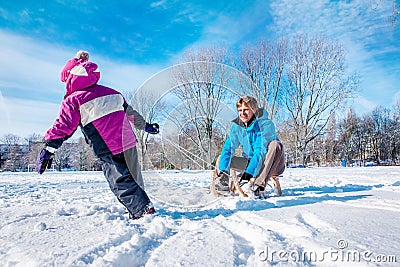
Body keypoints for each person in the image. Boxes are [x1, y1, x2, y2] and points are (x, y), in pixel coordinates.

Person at [36, 51, 160, 219]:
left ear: (70, 78)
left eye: (65, 80)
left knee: (119, 180)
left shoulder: (73, 99)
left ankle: (143, 212)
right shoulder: (113, 92)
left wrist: (49, 148)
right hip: (129, 141)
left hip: (108, 146)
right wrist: (146, 126)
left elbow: (63, 125)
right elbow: (131, 113)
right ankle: (140, 207)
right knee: (134, 177)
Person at [216, 95, 285, 197]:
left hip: (272, 163)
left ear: (254, 110)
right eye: (240, 110)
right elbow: (228, 148)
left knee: (275, 145)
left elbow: (260, 152)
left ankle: (256, 185)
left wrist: (249, 174)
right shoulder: (237, 127)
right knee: (222, 158)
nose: (242, 113)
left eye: (246, 109)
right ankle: (222, 187)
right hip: (250, 162)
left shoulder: (266, 125)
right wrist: (223, 172)